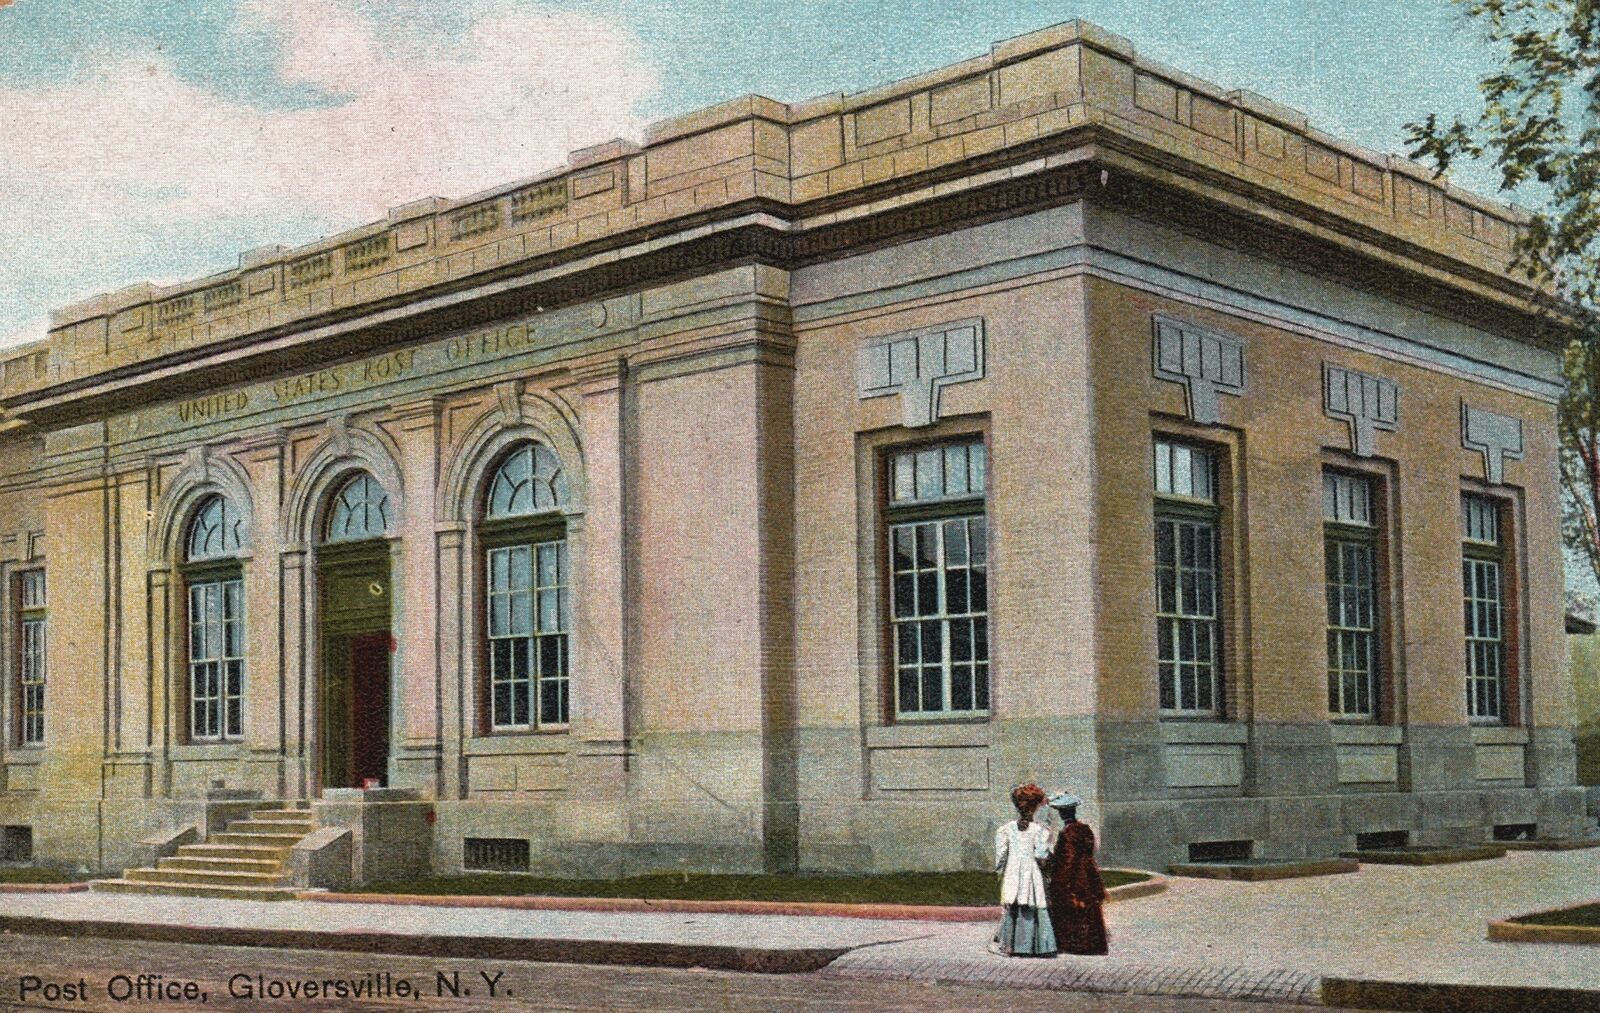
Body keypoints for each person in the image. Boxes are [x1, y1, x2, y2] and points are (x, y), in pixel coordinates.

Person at [992, 782, 1056, 957]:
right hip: (1032, 873)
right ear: (1035, 807)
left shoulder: (1005, 830)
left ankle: (1009, 944)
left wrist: (1001, 872)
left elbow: (1000, 857)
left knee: (1013, 903)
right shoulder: (1041, 831)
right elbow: (1042, 856)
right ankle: (1031, 946)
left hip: (1013, 872)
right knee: (1032, 903)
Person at [1042, 790, 1108, 955]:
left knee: (1072, 905)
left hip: (1074, 874)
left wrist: (1058, 877)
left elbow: (1068, 859)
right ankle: (1092, 942)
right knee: (1089, 905)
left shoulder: (1068, 833)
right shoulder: (1085, 829)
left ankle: (1075, 944)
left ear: (1063, 813)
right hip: (1088, 871)